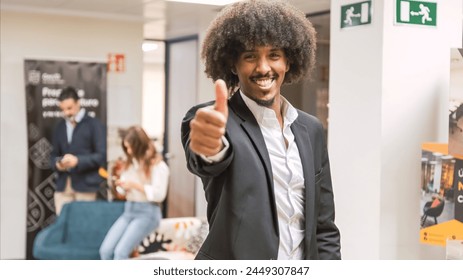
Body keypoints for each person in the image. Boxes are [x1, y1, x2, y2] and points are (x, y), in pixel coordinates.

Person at [181, 0, 341, 260]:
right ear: (233, 65)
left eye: (274, 55)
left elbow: (323, 224)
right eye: (250, 56)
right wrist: (209, 148)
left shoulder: (310, 129)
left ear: (289, 62)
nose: (263, 68)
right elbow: (206, 159)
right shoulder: (216, 121)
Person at [99, 126, 169, 260]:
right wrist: (122, 187)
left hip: (147, 213)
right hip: (129, 211)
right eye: (127, 148)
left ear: (140, 146)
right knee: (105, 251)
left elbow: (159, 195)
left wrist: (135, 186)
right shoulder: (130, 164)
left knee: (121, 253)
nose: (129, 151)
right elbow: (123, 190)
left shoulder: (158, 166)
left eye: (131, 147)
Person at [50, 86, 106, 215]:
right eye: (62, 109)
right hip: (63, 187)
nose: (66, 113)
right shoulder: (60, 127)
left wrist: (78, 161)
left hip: (85, 187)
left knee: (84, 226)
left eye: (69, 108)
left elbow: (101, 156)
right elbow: (53, 156)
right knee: (63, 226)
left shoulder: (94, 125)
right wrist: (58, 164)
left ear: (78, 103)